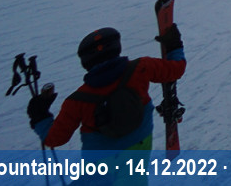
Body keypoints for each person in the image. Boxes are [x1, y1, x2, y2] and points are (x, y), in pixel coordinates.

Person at [28, 21, 185, 152]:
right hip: (140, 147)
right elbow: (176, 69)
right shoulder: (141, 68)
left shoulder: (77, 101)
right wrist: (174, 45)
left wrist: (40, 116)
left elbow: (55, 139)